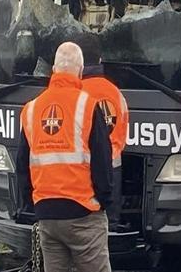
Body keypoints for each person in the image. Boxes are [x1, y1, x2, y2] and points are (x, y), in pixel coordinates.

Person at [15, 42, 113, 272]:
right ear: (81, 71)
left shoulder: (31, 109)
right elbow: (102, 161)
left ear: (53, 71)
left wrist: (36, 203)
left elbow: (22, 165)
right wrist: (103, 201)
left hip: (47, 216)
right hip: (83, 213)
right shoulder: (87, 106)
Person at [82, 46, 129, 229]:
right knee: (109, 225)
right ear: (100, 60)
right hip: (112, 168)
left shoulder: (76, 92)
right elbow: (124, 127)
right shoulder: (115, 92)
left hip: (83, 169)